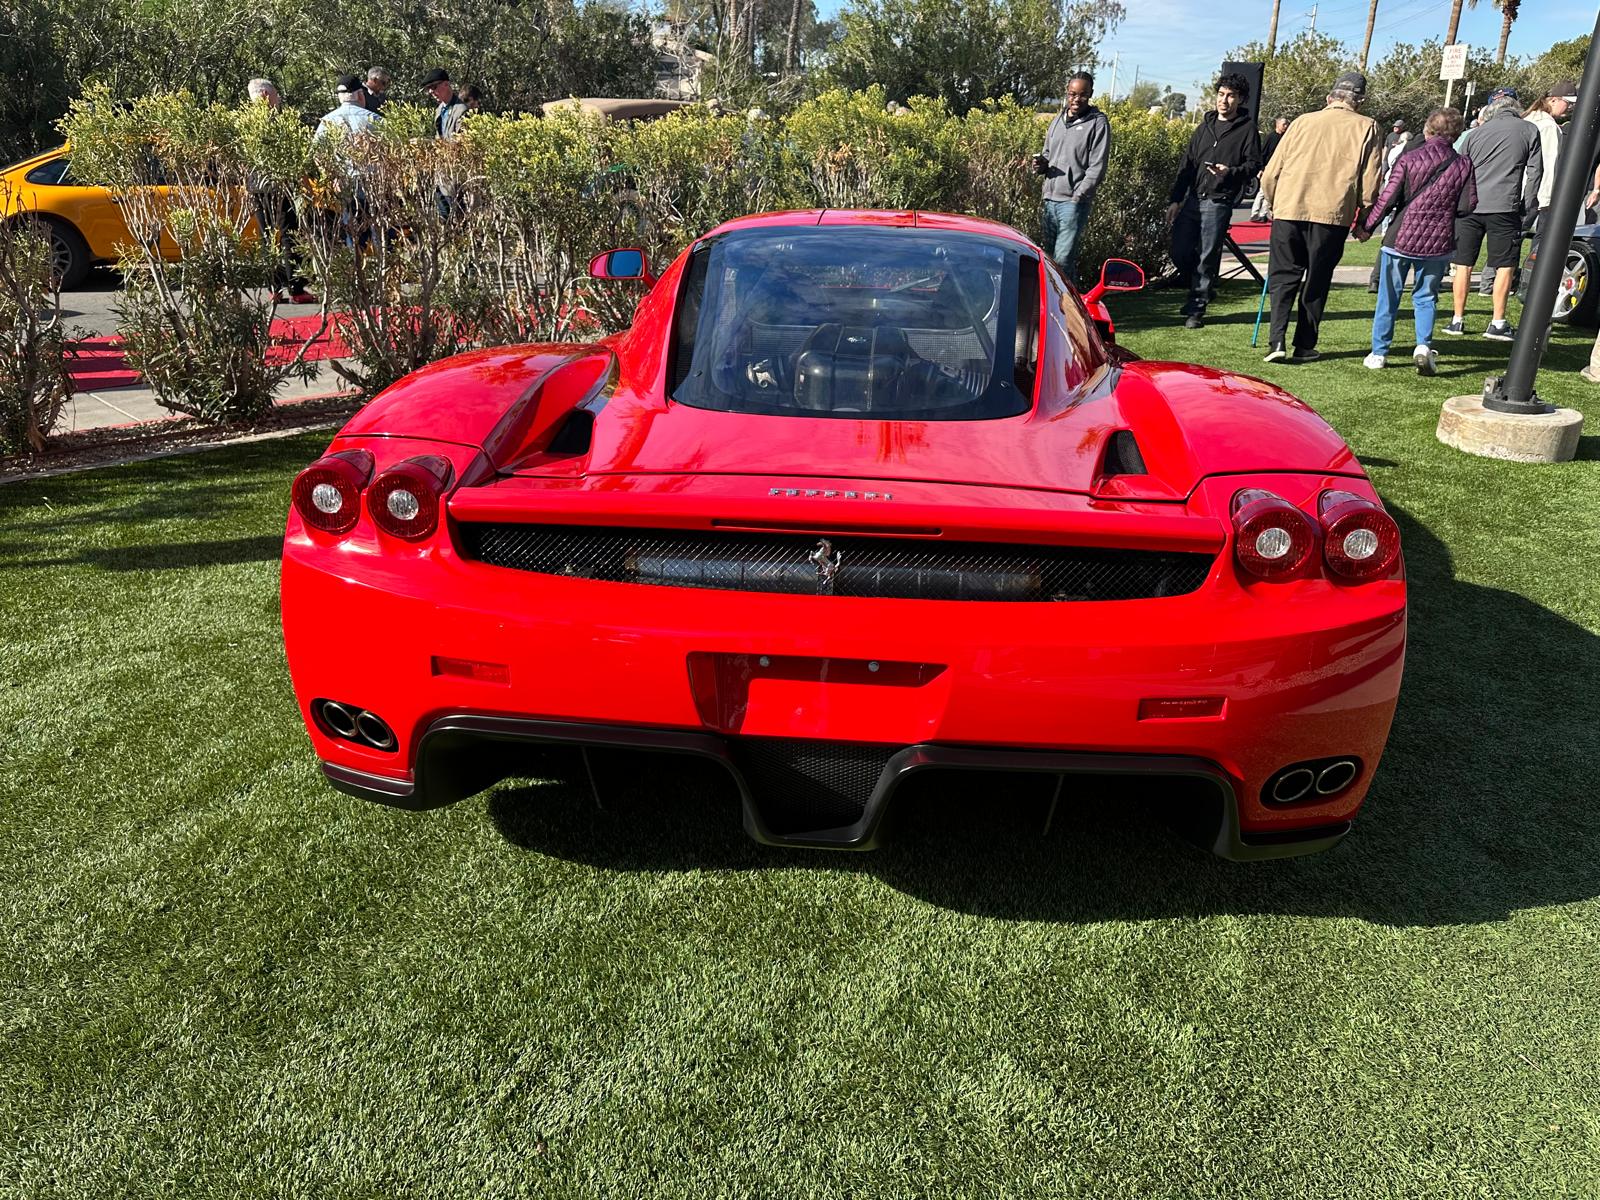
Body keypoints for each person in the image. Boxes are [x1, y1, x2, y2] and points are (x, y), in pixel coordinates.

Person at [1257, 70, 1383, 363]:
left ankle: (1276, 340)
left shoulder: (1302, 121)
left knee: (1282, 276)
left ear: (1329, 98)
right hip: (1332, 214)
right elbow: (1370, 181)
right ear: (1360, 101)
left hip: (1290, 208)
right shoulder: (1367, 126)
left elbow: (1272, 172)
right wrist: (1364, 216)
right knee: (1317, 279)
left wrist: (1275, 202)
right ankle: (1304, 345)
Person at [1358, 108, 1476, 376]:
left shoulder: (1409, 158)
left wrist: (1367, 227)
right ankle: (1423, 345)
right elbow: (1467, 205)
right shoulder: (1463, 164)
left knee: (1388, 297)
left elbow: (1387, 199)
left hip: (1400, 236)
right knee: (1426, 297)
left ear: (1428, 129)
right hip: (1439, 241)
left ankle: (1379, 352)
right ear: (1457, 133)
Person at [1443, 86, 1541, 342]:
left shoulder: (1474, 134)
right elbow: (1535, 173)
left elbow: (1458, 169)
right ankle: (1497, 322)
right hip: (1504, 206)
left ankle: (1456, 319)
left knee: (1463, 264)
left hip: (1470, 207)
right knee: (1504, 265)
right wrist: (1528, 207)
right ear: (1516, 105)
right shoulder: (1529, 130)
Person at [1166, 72, 1263, 329]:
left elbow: (1254, 164)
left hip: (1219, 200)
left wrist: (1229, 173)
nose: (1224, 100)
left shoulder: (1247, 129)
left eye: (1231, 96)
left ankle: (1196, 309)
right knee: (1179, 251)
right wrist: (1175, 199)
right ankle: (1203, 289)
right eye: (1221, 94)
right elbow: (1187, 164)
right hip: (1193, 199)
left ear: (1240, 99)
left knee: (1206, 256)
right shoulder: (1204, 127)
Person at [1034, 71, 1111, 287]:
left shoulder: (1097, 123)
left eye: (1082, 94)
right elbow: (1048, 153)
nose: (1076, 99)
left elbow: (1097, 166)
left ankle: (1063, 304)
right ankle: (1072, 302)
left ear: (1090, 94)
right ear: (1067, 93)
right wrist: (1041, 165)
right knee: (1050, 261)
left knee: (1062, 260)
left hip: (1072, 202)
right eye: (1072, 94)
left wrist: (1078, 197)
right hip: (1050, 199)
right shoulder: (1057, 120)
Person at [246, 78, 316, 304]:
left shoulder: (245, 122)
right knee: (289, 235)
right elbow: (294, 155)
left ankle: (273, 289)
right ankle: (296, 288)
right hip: (279, 185)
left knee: (266, 237)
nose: (278, 99)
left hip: (256, 186)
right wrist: (304, 183)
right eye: (276, 94)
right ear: (266, 95)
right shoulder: (279, 121)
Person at [1250, 116, 1290, 220]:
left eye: (1287, 124)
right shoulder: (1271, 137)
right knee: (1263, 191)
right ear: (1277, 125)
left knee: (1272, 191)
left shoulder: (1285, 138)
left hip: (1279, 168)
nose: (1286, 126)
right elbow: (1263, 154)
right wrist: (1261, 168)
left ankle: (1263, 214)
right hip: (1268, 167)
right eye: (1284, 124)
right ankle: (1254, 213)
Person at [421, 68, 468, 140]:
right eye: (428, 88)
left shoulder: (462, 110)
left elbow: (462, 143)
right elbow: (439, 140)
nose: (431, 91)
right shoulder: (439, 110)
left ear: (446, 84)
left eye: (434, 87)